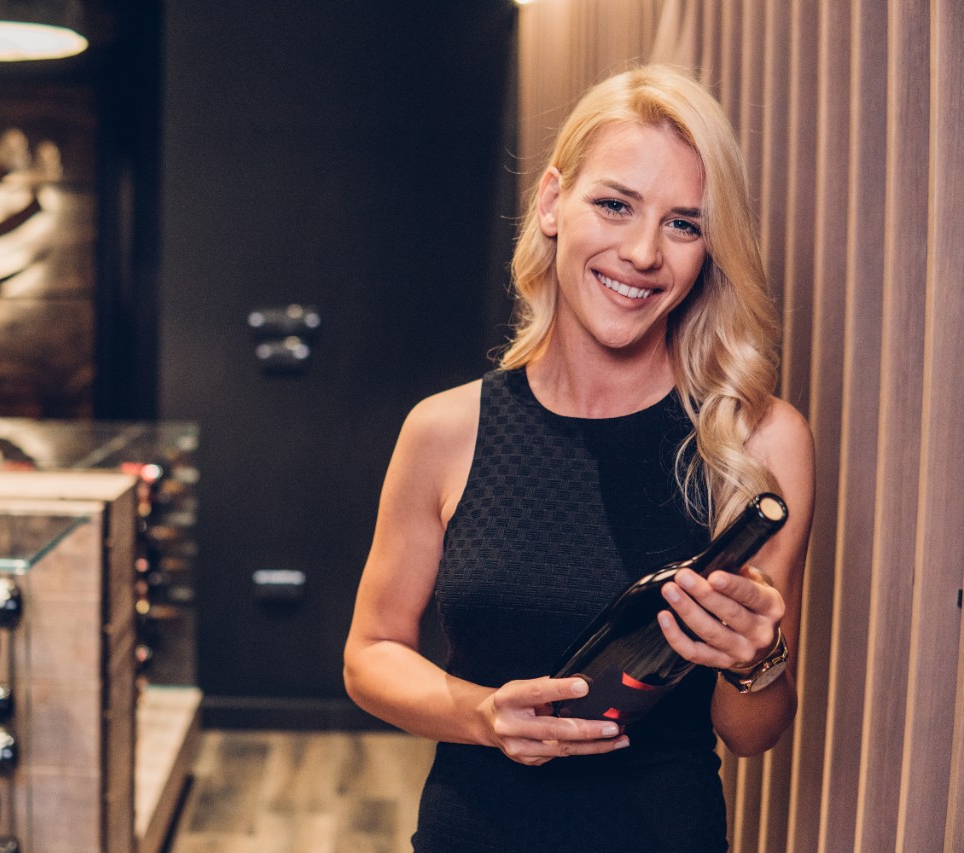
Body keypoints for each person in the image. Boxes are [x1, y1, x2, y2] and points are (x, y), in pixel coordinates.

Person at [343, 64, 815, 852]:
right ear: (554, 201)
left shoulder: (757, 441)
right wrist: (483, 716)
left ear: (708, 250)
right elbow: (371, 654)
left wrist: (757, 660)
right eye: (615, 204)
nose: (642, 252)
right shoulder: (446, 429)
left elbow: (753, 734)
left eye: (684, 224)